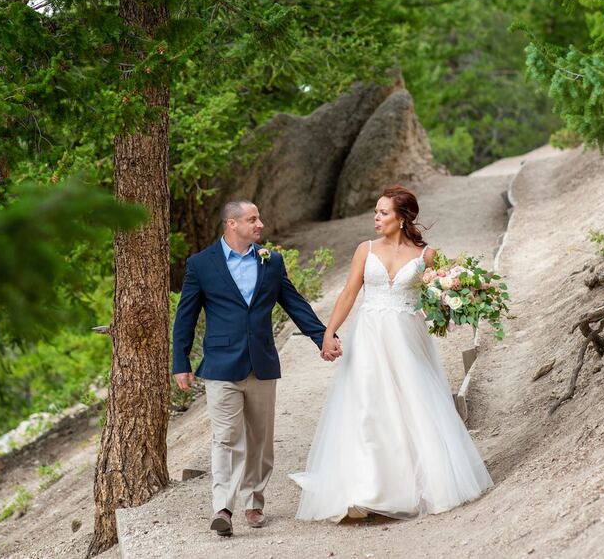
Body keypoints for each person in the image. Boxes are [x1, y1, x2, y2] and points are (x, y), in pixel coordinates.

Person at [290, 185, 493, 521]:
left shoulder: (426, 255)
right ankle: (363, 489)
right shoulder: (364, 250)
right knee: (369, 404)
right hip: (369, 335)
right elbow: (348, 293)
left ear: (401, 218)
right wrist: (328, 333)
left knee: (414, 403)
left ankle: (422, 484)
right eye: (376, 212)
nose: (376, 218)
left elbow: (437, 294)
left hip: (407, 336)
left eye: (383, 212)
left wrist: (454, 303)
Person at [172, 199, 340, 537]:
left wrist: (323, 337)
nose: (260, 224)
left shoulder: (271, 261)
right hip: (221, 366)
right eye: (252, 219)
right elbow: (185, 317)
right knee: (226, 438)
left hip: (262, 362)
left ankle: (254, 502)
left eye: (259, 218)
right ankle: (223, 507)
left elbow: (295, 304)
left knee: (260, 440)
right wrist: (181, 362)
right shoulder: (202, 264)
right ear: (231, 224)